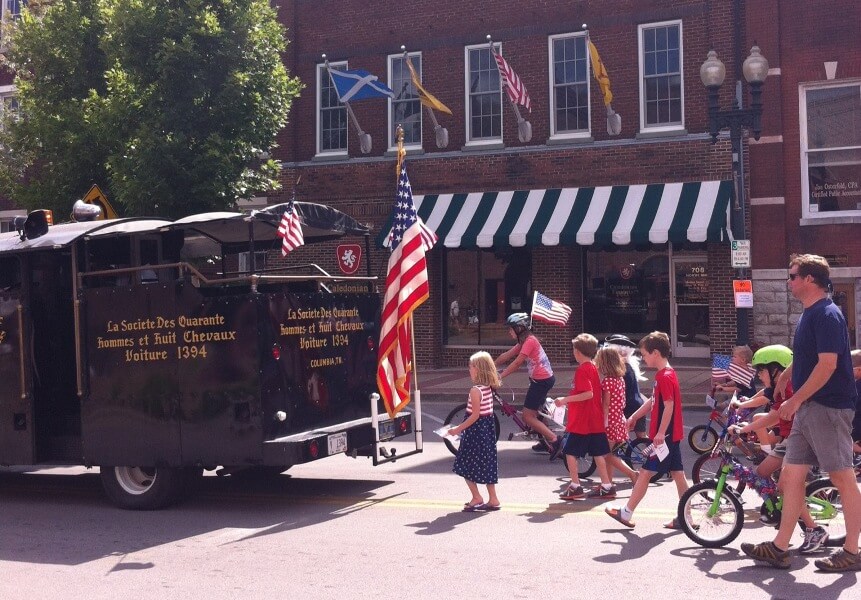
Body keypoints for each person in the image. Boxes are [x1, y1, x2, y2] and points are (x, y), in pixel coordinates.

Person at [742, 254, 860, 571]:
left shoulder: (827, 314)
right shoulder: (810, 314)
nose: (789, 281)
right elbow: (810, 357)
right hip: (810, 408)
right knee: (791, 477)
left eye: (792, 275)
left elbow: (828, 364)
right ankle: (780, 547)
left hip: (828, 407)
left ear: (809, 279)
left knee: (842, 478)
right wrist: (787, 374)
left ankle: (852, 551)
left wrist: (794, 401)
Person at [732, 345, 829, 553]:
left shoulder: (789, 387)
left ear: (776, 369)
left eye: (762, 370)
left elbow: (776, 415)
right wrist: (743, 410)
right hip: (787, 440)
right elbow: (764, 399)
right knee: (761, 472)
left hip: (799, 440)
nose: (758, 374)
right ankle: (780, 512)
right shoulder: (777, 388)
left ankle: (813, 529)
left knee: (787, 486)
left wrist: (746, 428)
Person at [605, 331, 689, 528]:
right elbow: (654, 400)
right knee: (678, 474)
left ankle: (626, 513)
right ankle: (687, 517)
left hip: (665, 436)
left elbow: (668, 405)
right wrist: (634, 416)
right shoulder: (666, 373)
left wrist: (659, 433)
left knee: (644, 472)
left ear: (656, 353)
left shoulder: (665, 376)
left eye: (644, 354)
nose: (642, 358)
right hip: (671, 435)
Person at [555, 334, 615, 500]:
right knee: (598, 453)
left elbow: (588, 393)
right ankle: (607, 485)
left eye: (574, 349)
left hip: (582, 421)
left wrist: (565, 400)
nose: (573, 351)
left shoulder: (582, 369)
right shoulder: (593, 368)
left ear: (578, 351)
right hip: (594, 419)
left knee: (569, 451)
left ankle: (575, 485)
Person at [495, 313, 559, 455]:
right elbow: (506, 355)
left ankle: (555, 441)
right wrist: (489, 365)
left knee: (527, 416)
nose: (509, 332)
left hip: (541, 381)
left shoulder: (530, 341)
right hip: (541, 379)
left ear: (519, 329)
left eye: (511, 329)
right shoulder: (524, 342)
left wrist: (500, 377)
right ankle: (544, 441)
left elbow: (517, 362)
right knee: (537, 412)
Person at [448, 351, 502, 512]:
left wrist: (457, 429)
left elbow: (474, 415)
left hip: (475, 432)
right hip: (487, 432)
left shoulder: (475, 391)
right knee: (487, 464)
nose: (469, 369)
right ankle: (493, 498)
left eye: (470, 366)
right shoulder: (488, 388)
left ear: (478, 369)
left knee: (464, 463)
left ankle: (476, 497)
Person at [595, 345, 638, 485]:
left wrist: (604, 422)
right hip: (619, 419)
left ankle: (632, 473)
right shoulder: (619, 379)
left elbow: (606, 404)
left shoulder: (607, 381)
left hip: (611, 422)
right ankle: (608, 481)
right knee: (611, 454)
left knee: (607, 455)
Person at [605, 334, 648, 439]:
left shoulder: (620, 370)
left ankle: (616, 454)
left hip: (628, 407)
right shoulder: (629, 366)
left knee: (621, 437)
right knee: (641, 436)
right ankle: (653, 452)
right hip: (638, 405)